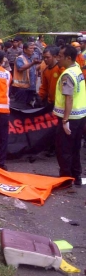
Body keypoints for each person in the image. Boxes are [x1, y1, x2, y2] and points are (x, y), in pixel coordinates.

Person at [54, 45, 86, 188]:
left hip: (70, 118)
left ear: (68, 58)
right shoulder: (77, 68)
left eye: (60, 56)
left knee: (64, 149)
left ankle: (66, 179)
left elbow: (69, 98)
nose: (58, 58)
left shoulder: (67, 75)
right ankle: (76, 176)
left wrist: (65, 120)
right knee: (75, 148)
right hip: (80, 117)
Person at [13, 42, 41, 107]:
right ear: (25, 50)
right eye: (30, 48)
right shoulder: (20, 58)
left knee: (29, 106)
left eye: (33, 48)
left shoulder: (32, 58)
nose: (32, 50)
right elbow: (20, 68)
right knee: (20, 106)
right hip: (21, 88)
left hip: (31, 87)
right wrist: (33, 63)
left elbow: (33, 70)